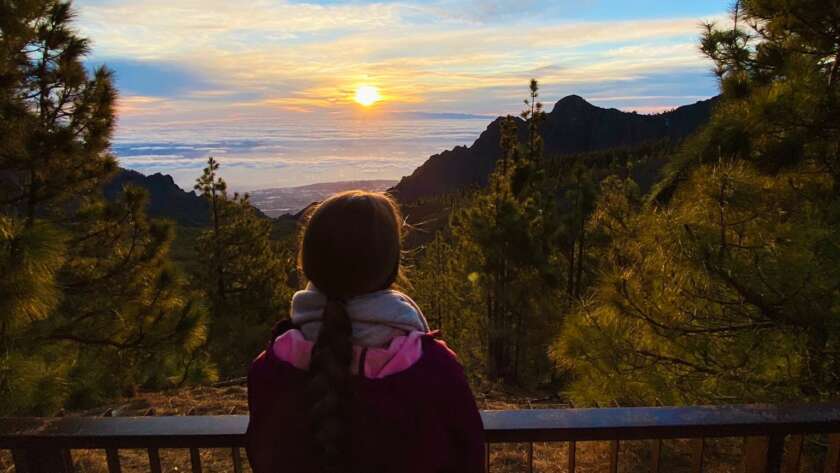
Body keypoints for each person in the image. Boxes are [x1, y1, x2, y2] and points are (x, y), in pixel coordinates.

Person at [246, 190, 485, 473]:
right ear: (390, 268)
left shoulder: (269, 368)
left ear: (309, 263)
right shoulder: (434, 368)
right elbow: (469, 457)